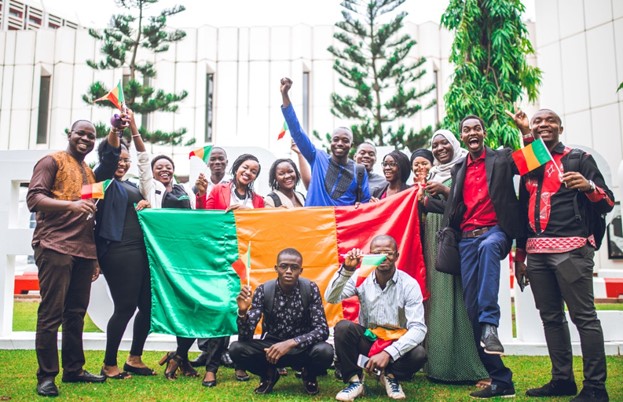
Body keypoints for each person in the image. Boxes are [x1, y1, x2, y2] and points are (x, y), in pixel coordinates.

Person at [510, 109, 614, 402]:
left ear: (561, 127)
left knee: (584, 318)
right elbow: (522, 211)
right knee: (551, 318)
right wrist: (520, 257)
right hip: (537, 253)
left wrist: (589, 186)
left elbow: (607, 202)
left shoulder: (578, 158)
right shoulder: (531, 164)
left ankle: (595, 388)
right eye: (538, 121)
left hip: (572, 250)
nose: (544, 124)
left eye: (550, 120)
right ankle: (562, 380)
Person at [27, 117, 121, 397]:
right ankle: (46, 376)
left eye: (91, 136)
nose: (86, 139)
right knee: (51, 314)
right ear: (70, 134)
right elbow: (34, 199)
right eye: (81, 133)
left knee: (76, 314)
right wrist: (72, 204)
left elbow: (88, 216)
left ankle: (73, 370)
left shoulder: (89, 173)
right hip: (54, 245)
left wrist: (92, 258)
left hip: (82, 250)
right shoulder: (51, 161)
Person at [443, 115, 524, 398]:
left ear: (484, 132)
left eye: (477, 128)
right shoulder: (458, 169)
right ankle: (501, 380)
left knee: (490, 248)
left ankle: (491, 323)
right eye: (467, 130)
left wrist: (526, 131)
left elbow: (534, 161)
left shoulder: (501, 159)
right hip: (466, 240)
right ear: (462, 137)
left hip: (496, 232)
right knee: (471, 310)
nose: (472, 132)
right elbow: (453, 204)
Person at [418, 129, 488, 384]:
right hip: (432, 240)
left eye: (444, 142)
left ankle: (469, 366)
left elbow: (472, 204)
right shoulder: (434, 172)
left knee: (460, 299)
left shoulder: (464, 168)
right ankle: (438, 365)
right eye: (435, 145)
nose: (439, 148)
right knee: (436, 302)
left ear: (454, 144)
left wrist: (445, 193)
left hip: (456, 241)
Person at [325, 235, 427, 401]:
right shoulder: (360, 276)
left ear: (396, 256)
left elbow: (419, 328)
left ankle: (389, 375)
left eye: (388, 253)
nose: (383, 257)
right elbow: (331, 297)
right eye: (377, 253)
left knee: (418, 354)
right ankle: (355, 381)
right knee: (343, 328)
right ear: (369, 256)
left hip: (395, 343)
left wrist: (389, 353)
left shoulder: (409, 284)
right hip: (368, 340)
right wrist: (347, 270)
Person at [95, 110, 156, 380]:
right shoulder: (101, 181)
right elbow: (108, 157)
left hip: (141, 252)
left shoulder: (133, 185)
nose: (123, 163)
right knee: (125, 308)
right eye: (119, 159)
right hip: (118, 252)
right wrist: (118, 131)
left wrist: (135, 129)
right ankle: (109, 364)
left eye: (126, 160)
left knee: (148, 306)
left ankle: (134, 358)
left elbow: (145, 163)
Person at [194, 153, 264, 387]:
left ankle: (241, 363)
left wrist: (249, 214)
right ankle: (211, 368)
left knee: (245, 309)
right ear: (236, 168)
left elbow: (264, 225)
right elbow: (205, 218)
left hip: (247, 262)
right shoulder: (218, 191)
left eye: (254, 170)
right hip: (222, 260)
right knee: (223, 310)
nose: (248, 172)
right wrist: (201, 195)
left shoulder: (258, 199)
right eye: (245, 167)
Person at [229, 248, 333, 395]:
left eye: (294, 267)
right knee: (236, 349)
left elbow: (322, 330)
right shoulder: (263, 290)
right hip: (271, 350)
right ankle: (268, 375)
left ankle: (309, 375)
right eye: (284, 266)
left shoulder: (310, 289)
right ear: (276, 268)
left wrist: (291, 343)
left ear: (301, 270)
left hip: (301, 348)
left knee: (325, 351)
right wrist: (243, 313)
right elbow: (246, 335)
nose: (289, 271)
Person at [280, 77, 370, 206]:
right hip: (314, 224)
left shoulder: (359, 171)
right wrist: (285, 95)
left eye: (345, 140)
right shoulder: (317, 157)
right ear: (330, 142)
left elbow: (365, 204)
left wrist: (361, 206)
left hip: (340, 225)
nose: (340, 143)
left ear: (351, 145)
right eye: (336, 139)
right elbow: (296, 131)